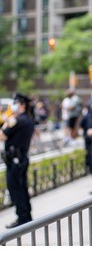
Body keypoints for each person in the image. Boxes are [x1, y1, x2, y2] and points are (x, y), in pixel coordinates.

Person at [0, 93, 35, 228]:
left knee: (15, 189)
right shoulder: (28, 119)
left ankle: (22, 217)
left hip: (15, 159)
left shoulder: (18, 120)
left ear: (22, 105)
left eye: (16, 104)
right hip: (21, 158)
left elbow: (2, 135)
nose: (13, 106)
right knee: (22, 188)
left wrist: (7, 121)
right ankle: (26, 215)